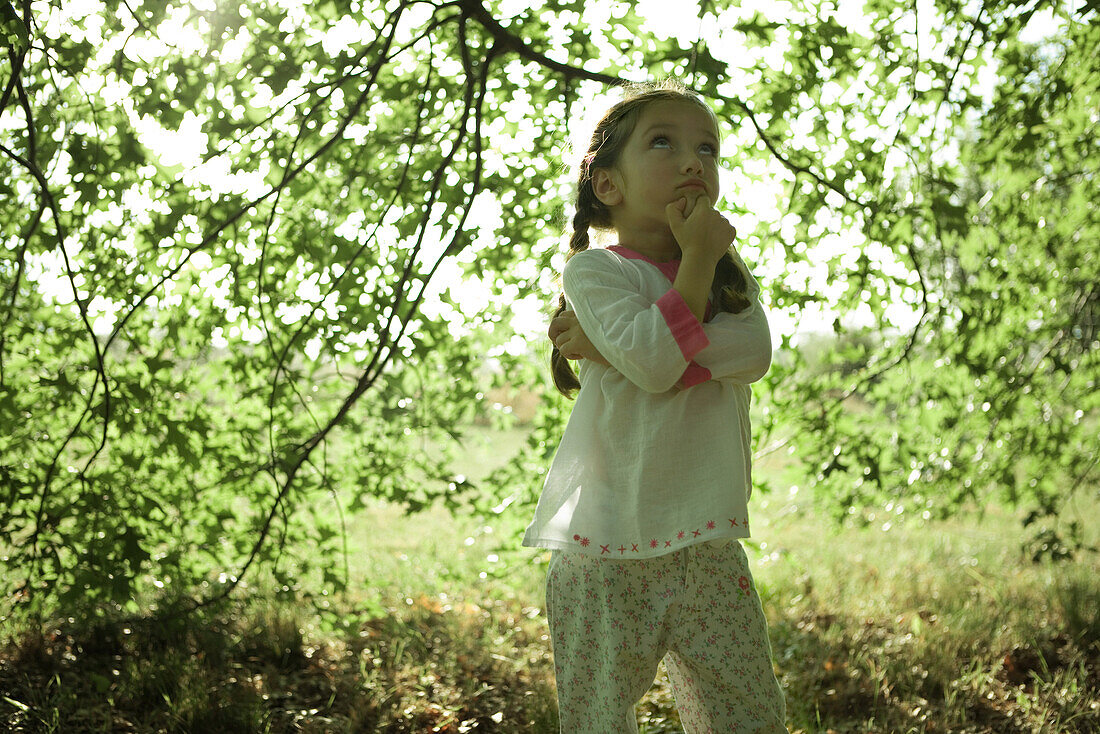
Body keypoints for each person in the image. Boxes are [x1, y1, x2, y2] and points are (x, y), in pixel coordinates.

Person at [521, 81, 788, 733]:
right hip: (605, 547)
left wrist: (623, 354)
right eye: (663, 142)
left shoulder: (726, 270)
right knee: (599, 719)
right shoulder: (595, 273)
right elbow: (659, 361)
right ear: (607, 184)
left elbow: (750, 352)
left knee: (746, 715)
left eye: (708, 148)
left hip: (705, 540)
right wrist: (656, 340)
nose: (694, 160)